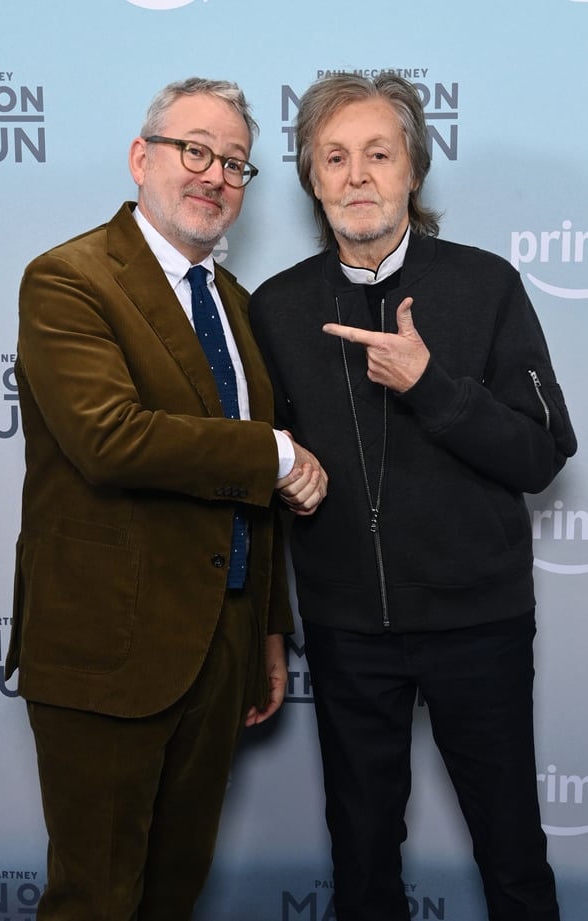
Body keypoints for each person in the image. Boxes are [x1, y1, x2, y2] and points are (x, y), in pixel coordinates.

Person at [249, 72, 576, 921]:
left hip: (481, 627)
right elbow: (255, 467)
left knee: (513, 858)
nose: (357, 175)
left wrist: (433, 384)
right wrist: (285, 473)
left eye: (378, 154)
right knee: (361, 867)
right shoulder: (276, 308)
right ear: (313, 180)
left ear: (413, 172)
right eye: (334, 157)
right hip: (350, 634)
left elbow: (543, 454)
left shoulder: (488, 284)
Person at [6, 77, 327, 921]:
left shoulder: (234, 304)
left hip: (218, 648)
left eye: (233, 162)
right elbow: (111, 439)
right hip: (107, 648)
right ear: (141, 157)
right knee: (97, 900)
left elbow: (247, 497)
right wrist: (275, 450)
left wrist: (264, 626)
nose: (215, 174)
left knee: (172, 894)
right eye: (195, 149)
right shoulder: (67, 280)